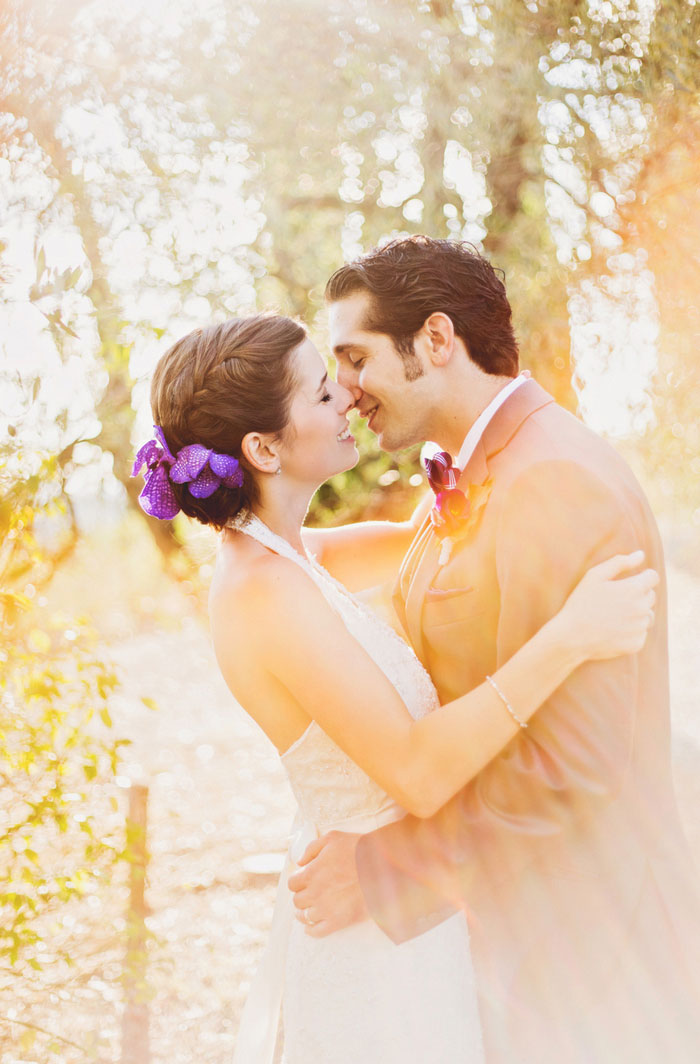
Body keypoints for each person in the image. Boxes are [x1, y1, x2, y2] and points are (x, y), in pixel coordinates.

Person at [132, 310, 657, 1064]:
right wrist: (572, 637)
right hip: (373, 950)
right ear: (262, 448)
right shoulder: (260, 592)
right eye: (320, 394)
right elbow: (415, 770)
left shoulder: (297, 556)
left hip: (412, 911)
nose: (346, 398)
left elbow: (442, 539)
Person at [288, 236, 700, 1063]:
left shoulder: (554, 481)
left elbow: (571, 768)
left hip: (592, 958)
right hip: (519, 938)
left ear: (436, 340)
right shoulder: (473, 475)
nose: (350, 392)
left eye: (357, 358)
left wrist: (380, 872)